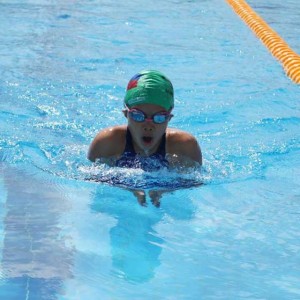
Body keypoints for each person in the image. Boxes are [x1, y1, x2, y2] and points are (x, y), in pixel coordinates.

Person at [88, 70, 202, 206]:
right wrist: (128, 187)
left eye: (158, 117)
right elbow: (94, 183)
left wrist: (164, 190)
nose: (148, 126)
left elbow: (194, 184)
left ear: (169, 118)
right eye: (138, 116)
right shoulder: (108, 142)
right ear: (126, 114)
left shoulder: (185, 146)